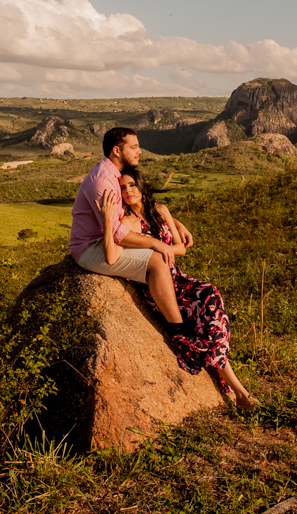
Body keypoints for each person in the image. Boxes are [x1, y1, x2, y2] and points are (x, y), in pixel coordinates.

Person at [100, 167, 258, 412]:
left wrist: (161, 248)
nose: (128, 191)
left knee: (210, 294)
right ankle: (240, 391)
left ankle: (235, 387)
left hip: (180, 280)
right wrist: (107, 219)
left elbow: (180, 248)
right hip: (158, 286)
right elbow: (112, 254)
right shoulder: (127, 221)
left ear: (142, 186)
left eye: (132, 185)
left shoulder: (161, 211)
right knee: (199, 326)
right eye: (122, 187)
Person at [68, 127, 193, 329]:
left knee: (158, 255)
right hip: (90, 248)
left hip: (107, 240)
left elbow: (137, 206)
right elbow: (117, 233)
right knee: (157, 260)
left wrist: (177, 224)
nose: (139, 151)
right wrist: (156, 244)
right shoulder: (102, 181)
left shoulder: (114, 175)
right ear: (117, 150)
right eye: (134, 147)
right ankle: (176, 327)